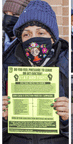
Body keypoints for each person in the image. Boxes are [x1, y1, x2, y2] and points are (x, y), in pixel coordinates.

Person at [2, 1, 69, 143]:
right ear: (21, 39)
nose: (33, 39)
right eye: (26, 34)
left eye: (40, 33)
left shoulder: (68, 64)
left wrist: (69, 117)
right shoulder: (6, 65)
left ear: (52, 37)